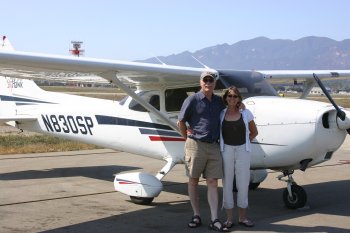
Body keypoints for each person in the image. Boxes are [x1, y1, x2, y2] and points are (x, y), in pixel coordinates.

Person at [177, 71, 229, 232]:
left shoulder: (219, 101)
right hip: (195, 144)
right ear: (200, 82)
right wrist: (187, 138)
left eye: (211, 80)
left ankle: (214, 218)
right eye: (205, 80)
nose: (208, 83)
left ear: (214, 83)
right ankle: (196, 215)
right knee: (193, 180)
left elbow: (230, 108)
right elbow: (181, 121)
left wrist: (241, 105)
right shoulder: (192, 99)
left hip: (213, 145)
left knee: (213, 182)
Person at [219, 86, 258, 228]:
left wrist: (246, 142)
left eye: (235, 96)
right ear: (225, 98)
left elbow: (254, 132)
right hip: (226, 150)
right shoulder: (221, 114)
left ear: (239, 99)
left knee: (243, 183)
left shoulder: (246, 113)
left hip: (243, 150)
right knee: (227, 183)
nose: (232, 98)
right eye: (229, 96)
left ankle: (243, 217)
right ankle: (229, 219)